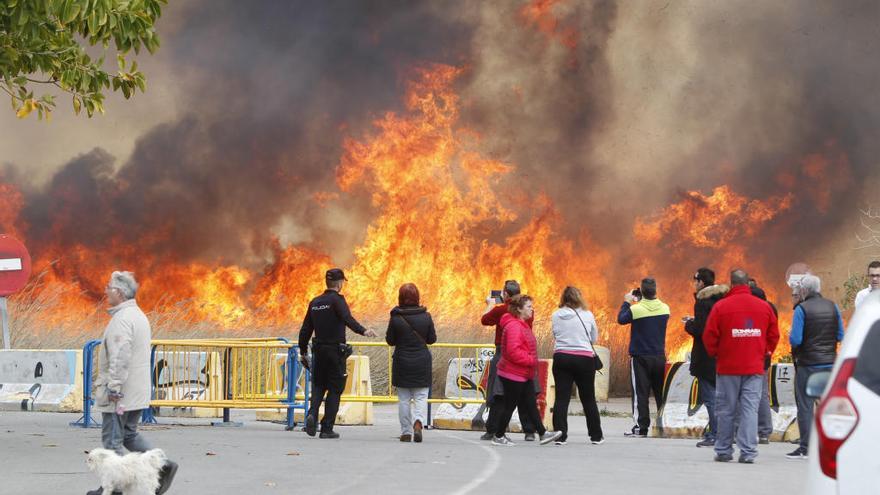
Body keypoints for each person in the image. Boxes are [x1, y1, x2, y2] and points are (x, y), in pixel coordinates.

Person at [89, 271, 177, 495]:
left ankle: (113, 487)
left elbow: (120, 356)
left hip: (120, 393)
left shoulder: (122, 320)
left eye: (109, 287)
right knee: (129, 434)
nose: (106, 291)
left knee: (112, 440)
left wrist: (114, 387)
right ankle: (163, 465)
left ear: (119, 292)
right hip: (137, 391)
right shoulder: (138, 315)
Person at [704, 269, 779, 464]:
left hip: (728, 367)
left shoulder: (721, 307)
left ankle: (723, 450)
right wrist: (765, 352)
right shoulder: (764, 307)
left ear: (732, 284)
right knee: (749, 410)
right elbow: (773, 335)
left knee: (726, 410)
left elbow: (709, 336)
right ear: (747, 284)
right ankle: (748, 452)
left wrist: (717, 354)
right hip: (754, 368)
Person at [298, 268, 377, 439]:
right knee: (334, 389)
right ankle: (327, 428)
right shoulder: (337, 300)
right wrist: (364, 331)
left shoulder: (315, 302)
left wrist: (303, 351)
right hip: (335, 352)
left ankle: (311, 414)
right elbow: (347, 319)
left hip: (318, 351)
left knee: (319, 386)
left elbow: (305, 329)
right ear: (340, 283)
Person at [786, 274, 844, 459]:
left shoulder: (801, 309)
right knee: (828, 405)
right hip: (830, 363)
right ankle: (831, 445)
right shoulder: (832, 306)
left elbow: (796, 339)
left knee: (805, 406)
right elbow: (841, 335)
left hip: (808, 365)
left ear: (804, 290)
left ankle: (806, 448)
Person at [492, 294, 562, 446]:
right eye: (529, 307)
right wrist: (531, 360)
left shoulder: (521, 324)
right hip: (513, 373)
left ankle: (542, 433)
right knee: (510, 405)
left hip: (522, 373)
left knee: (530, 403)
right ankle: (498, 435)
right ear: (519, 309)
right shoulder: (515, 326)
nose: (532, 309)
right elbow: (513, 351)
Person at [480, 280, 538, 441]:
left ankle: (493, 430)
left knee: (498, 393)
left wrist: (490, 304)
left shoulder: (501, 310)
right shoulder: (528, 311)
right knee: (524, 392)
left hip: (503, 352)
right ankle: (529, 431)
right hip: (524, 353)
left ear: (505, 294)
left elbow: (484, 320)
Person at [550, 286, 604, 445]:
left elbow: (555, 334)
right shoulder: (587, 315)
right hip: (584, 359)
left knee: (561, 398)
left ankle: (560, 436)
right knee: (588, 398)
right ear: (579, 298)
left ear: (563, 298)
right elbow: (593, 338)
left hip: (562, 357)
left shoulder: (556, 315)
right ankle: (596, 436)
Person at [617, 278, 670, 437]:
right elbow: (651, 311)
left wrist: (627, 302)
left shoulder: (636, 309)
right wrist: (642, 300)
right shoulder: (665, 308)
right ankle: (663, 425)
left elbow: (621, 319)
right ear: (656, 290)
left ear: (642, 291)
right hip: (659, 356)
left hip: (640, 357)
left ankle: (642, 427)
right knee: (660, 393)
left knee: (641, 394)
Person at [385, 283, 437, 443]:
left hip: (402, 362)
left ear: (400, 297)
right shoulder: (426, 316)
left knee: (404, 399)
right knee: (421, 396)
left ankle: (406, 431)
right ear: (417, 297)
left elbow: (390, 340)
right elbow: (432, 339)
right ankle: (418, 423)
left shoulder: (396, 317)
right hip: (421, 361)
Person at [683, 268, 727, 448]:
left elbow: (701, 330)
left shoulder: (702, 301)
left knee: (710, 398)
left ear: (702, 282)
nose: (694, 282)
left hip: (706, 356)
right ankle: (724, 433)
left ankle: (716, 435)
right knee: (724, 398)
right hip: (722, 355)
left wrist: (689, 325)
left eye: (695, 279)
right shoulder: (723, 299)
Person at [748, 278, 777, 444]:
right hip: (765, 356)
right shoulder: (770, 308)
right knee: (762, 395)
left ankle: (752, 430)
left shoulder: (757, 309)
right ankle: (764, 431)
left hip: (754, 357)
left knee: (747, 395)